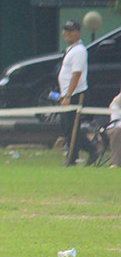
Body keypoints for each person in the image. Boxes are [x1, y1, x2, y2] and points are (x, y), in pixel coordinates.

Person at [58, 19, 98, 166]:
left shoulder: (79, 51)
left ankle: (91, 149)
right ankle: (73, 156)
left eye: (71, 30)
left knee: (71, 128)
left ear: (78, 32)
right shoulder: (71, 50)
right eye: (65, 30)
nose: (67, 33)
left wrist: (68, 95)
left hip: (75, 95)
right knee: (67, 127)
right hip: (67, 94)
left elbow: (76, 74)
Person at [104, 89, 121, 168]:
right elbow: (116, 121)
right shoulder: (117, 101)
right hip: (115, 127)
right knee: (118, 131)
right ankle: (115, 163)